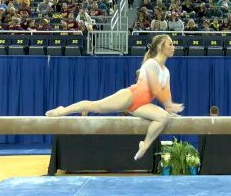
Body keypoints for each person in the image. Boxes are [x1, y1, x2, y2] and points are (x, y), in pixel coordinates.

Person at [46, 35, 184, 160]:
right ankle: (62, 110)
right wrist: (170, 105)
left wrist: (169, 109)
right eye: (170, 44)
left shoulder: (166, 71)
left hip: (142, 105)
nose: (174, 47)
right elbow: (155, 88)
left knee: (163, 117)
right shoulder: (151, 64)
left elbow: (166, 92)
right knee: (96, 106)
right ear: (161, 47)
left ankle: (145, 145)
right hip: (129, 97)